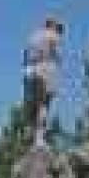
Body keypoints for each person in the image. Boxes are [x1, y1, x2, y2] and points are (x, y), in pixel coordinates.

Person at [23, 16, 65, 147]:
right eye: (59, 29)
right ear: (53, 26)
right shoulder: (53, 36)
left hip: (30, 70)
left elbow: (26, 56)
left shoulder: (32, 37)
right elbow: (57, 55)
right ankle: (39, 138)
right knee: (44, 105)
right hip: (46, 69)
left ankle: (30, 133)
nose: (60, 33)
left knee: (32, 105)